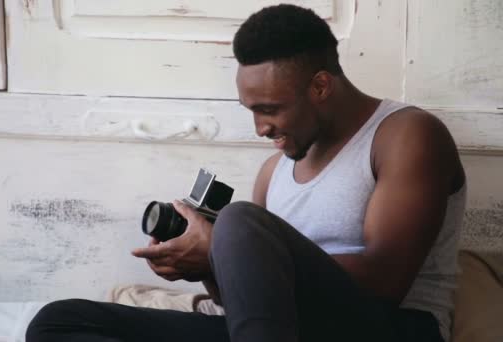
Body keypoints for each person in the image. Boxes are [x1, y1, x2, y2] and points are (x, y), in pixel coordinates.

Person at [26, 4, 466, 342]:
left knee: (237, 220)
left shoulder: (405, 135)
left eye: (270, 109)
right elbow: (247, 305)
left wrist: (223, 243)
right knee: (58, 322)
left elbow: (387, 283)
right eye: (252, 111)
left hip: (391, 329)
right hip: (282, 331)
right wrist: (205, 263)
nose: (260, 128)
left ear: (320, 86)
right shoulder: (274, 171)